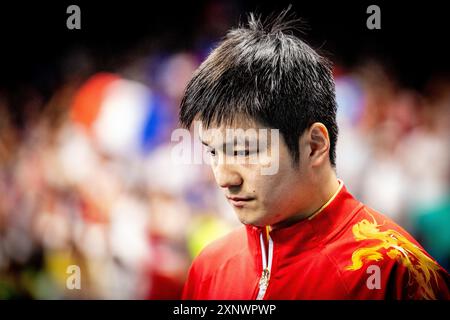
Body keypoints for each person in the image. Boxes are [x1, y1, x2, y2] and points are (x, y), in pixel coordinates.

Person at [178, 9, 450, 299]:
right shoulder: (209, 268)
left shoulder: (397, 273)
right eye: (212, 151)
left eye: (244, 150)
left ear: (315, 145)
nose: (223, 177)